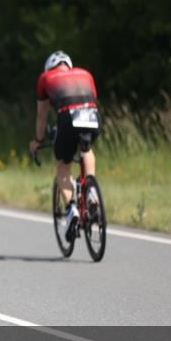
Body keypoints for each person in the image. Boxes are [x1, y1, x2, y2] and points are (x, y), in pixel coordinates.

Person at [29, 51, 102, 240]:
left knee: (63, 167)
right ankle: (91, 192)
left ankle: (72, 209)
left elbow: (42, 116)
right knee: (86, 148)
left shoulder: (45, 77)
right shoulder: (85, 73)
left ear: (49, 67)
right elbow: (92, 100)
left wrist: (38, 141)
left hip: (68, 117)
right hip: (92, 115)